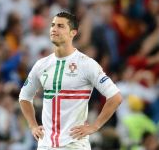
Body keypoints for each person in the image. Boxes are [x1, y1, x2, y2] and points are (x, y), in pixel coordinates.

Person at [19, 12, 122, 150]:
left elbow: (115, 97)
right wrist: (32, 125)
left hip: (74, 145)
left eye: (60, 26)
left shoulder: (86, 64)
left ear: (73, 33)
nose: (54, 29)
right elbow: (24, 97)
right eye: (52, 25)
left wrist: (95, 126)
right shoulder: (41, 65)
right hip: (45, 145)